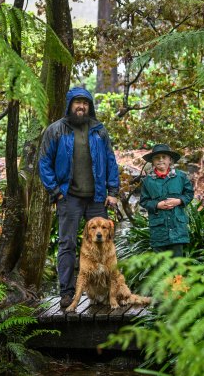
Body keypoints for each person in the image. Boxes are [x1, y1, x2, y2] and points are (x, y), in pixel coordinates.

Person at [39, 87, 119, 308]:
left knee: (105, 243)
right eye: (77, 102)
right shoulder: (56, 130)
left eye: (85, 102)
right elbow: (44, 162)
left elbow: (110, 161)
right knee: (67, 244)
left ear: (90, 106)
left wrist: (112, 192)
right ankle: (66, 292)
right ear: (69, 105)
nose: (81, 106)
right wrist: (56, 192)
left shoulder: (99, 131)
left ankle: (104, 292)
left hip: (97, 198)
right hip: (68, 197)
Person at [139, 144, 194, 257]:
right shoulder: (147, 181)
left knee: (177, 265)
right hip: (158, 230)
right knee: (161, 265)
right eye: (157, 158)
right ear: (152, 161)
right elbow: (144, 201)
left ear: (170, 160)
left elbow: (189, 194)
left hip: (177, 228)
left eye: (164, 157)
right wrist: (157, 204)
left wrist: (179, 201)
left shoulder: (181, 177)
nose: (161, 160)